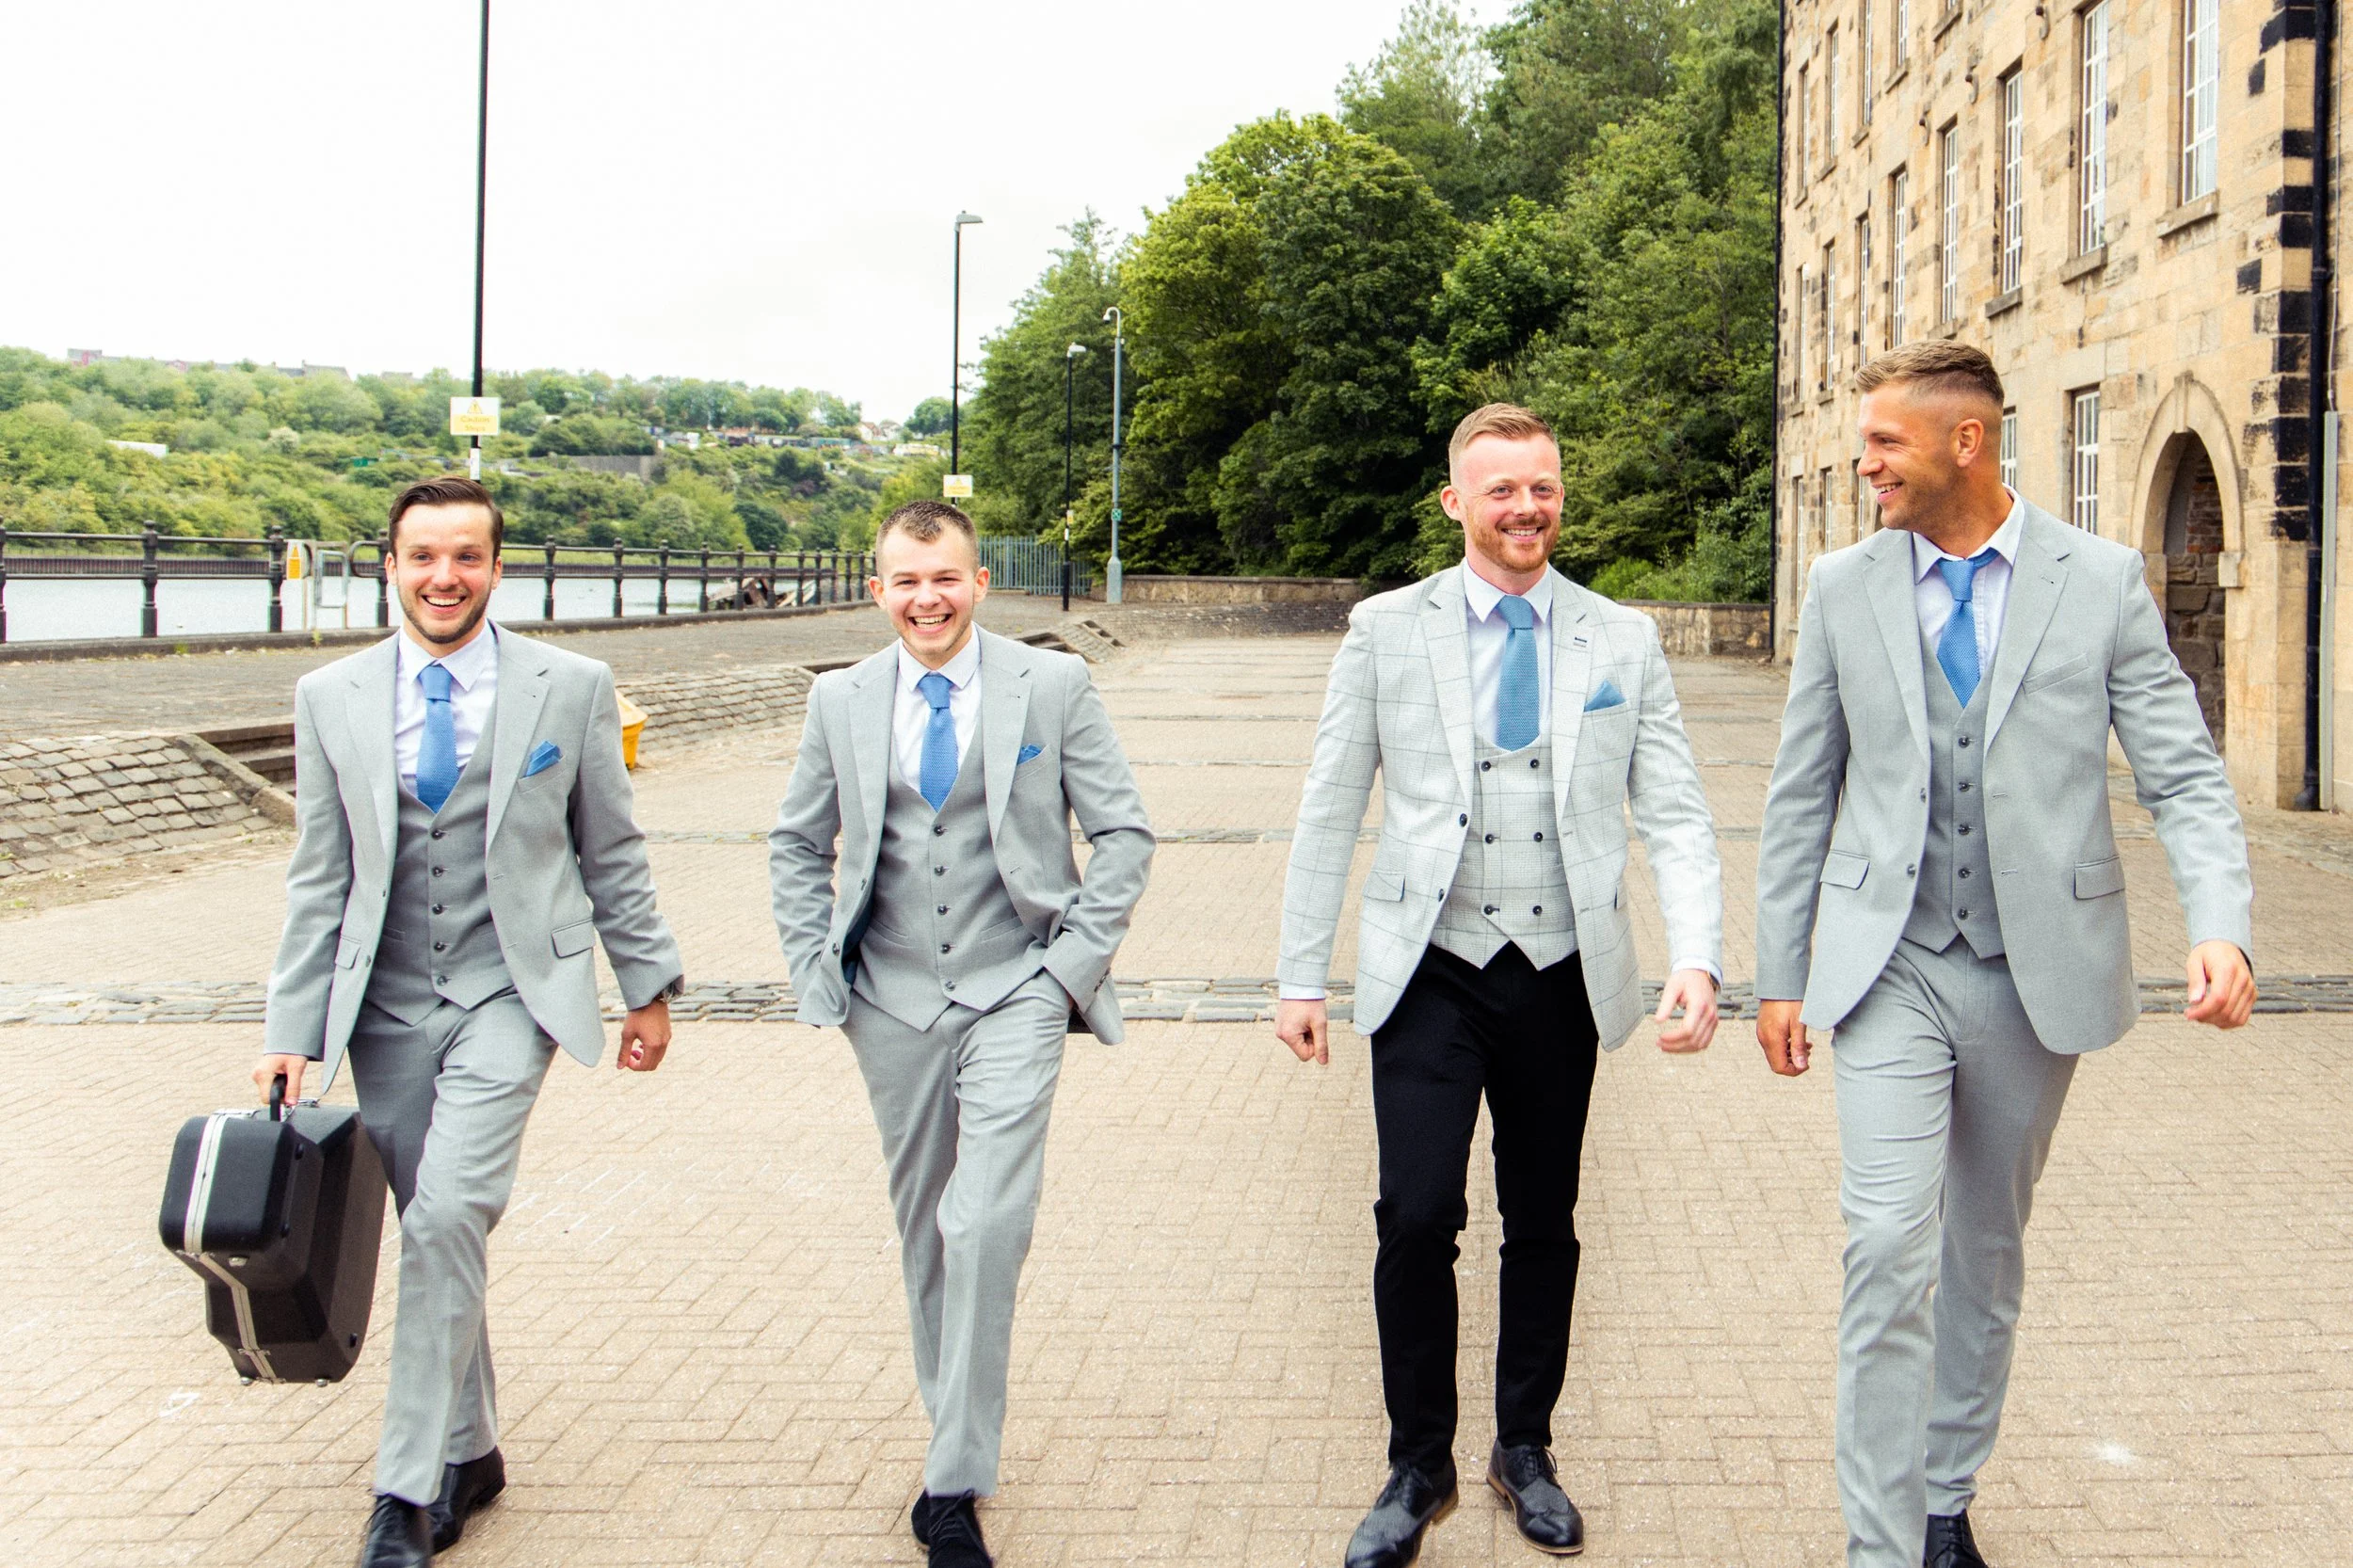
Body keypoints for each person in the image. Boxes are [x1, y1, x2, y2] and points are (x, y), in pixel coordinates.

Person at [1754, 343, 2256, 1568]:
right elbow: (1798, 791)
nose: (1863, 460)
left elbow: (2183, 770)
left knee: (1983, 1250)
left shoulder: (2101, 581)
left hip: (2040, 969)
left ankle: (1942, 1496)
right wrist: (1778, 967)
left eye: (1883, 441)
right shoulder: (1842, 587)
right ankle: (1881, 1546)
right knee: (1886, 1243)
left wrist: (2223, 919)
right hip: (1888, 967)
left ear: (1964, 442)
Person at [1275, 404, 1724, 1567]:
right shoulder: (1383, 630)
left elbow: (1671, 806)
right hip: (1427, 966)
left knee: (1544, 1220)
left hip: (1563, 970)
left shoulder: (1621, 637)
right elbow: (1331, 803)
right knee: (1415, 1214)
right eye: (1501, 490)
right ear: (1455, 503)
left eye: (1543, 487)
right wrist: (1295, 974)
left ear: (1559, 493)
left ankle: (1523, 1447)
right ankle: (1415, 1461)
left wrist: (1697, 952)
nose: (1525, 508)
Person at [255, 477, 684, 1568]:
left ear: (500, 567)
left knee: (449, 1214)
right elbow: (320, 876)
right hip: (385, 1006)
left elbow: (611, 849)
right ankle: (474, 1446)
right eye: (422, 557)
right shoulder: (330, 696)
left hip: (510, 993)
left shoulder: (571, 686)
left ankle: (403, 1492)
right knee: (428, 1221)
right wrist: (293, 1026)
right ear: (388, 565)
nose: (444, 577)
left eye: (467, 558)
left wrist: (646, 985)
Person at [768, 500, 1153, 1568]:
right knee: (926, 1232)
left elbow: (1123, 832)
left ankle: (950, 1485)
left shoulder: (1053, 684)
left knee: (983, 1222)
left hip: (1015, 987)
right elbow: (798, 845)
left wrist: (1066, 972)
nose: (926, 597)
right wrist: (815, 971)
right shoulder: (840, 699)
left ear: (978, 583)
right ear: (877, 586)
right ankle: (959, 1439)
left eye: (945, 577)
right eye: (905, 580)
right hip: (887, 999)